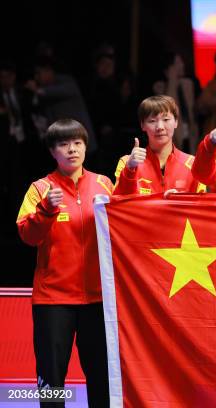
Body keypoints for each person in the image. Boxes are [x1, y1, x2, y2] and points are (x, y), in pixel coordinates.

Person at [16, 119, 112, 407]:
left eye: (78, 143)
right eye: (63, 144)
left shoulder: (104, 183)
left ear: (86, 146)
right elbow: (27, 236)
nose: (72, 149)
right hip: (53, 300)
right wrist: (46, 209)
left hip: (97, 298)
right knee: (52, 377)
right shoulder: (40, 189)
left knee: (101, 376)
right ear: (52, 151)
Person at [114, 95, 205, 196]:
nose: (160, 127)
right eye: (152, 121)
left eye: (166, 119)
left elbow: (201, 207)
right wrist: (130, 169)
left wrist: (179, 202)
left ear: (176, 122)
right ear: (142, 125)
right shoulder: (127, 163)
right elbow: (119, 204)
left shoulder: (193, 164)